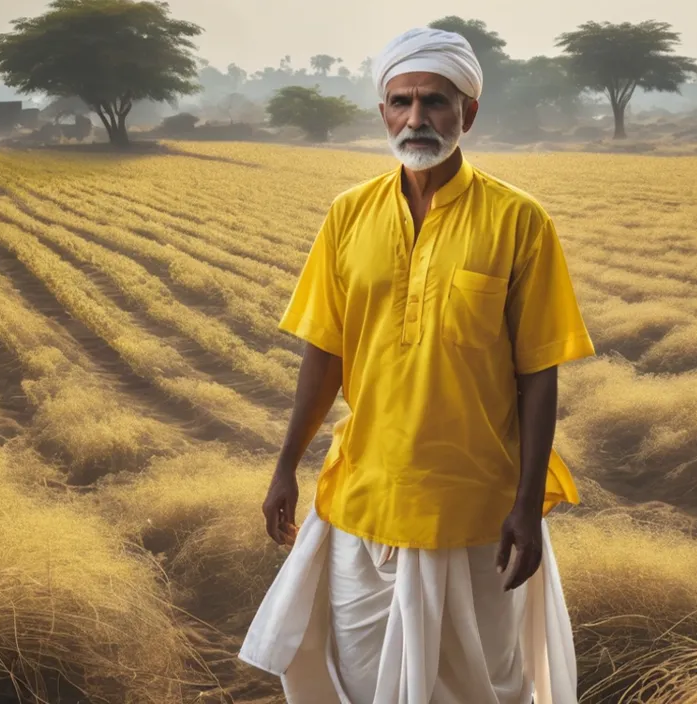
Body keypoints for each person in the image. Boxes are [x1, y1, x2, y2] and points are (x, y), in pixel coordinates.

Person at [238, 26, 595, 704]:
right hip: (366, 497)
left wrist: (526, 505)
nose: (417, 118)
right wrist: (285, 464)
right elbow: (325, 353)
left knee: (485, 686)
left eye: (435, 101)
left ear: (469, 113)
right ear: (383, 113)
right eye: (401, 101)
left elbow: (538, 373)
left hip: (478, 505)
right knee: (363, 678)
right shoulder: (349, 215)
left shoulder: (519, 221)